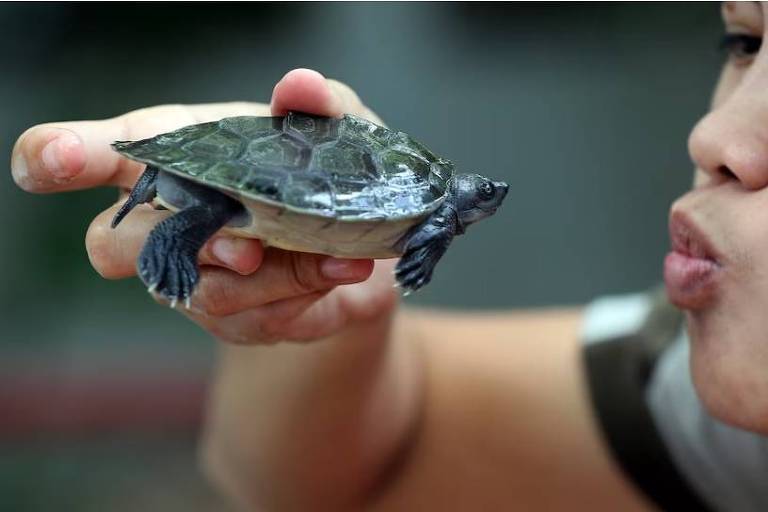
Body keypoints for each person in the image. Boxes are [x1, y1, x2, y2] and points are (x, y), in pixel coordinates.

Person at [11, 3, 768, 510]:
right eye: (744, 42)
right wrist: (320, 316)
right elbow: (337, 475)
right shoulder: (711, 413)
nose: (713, 138)